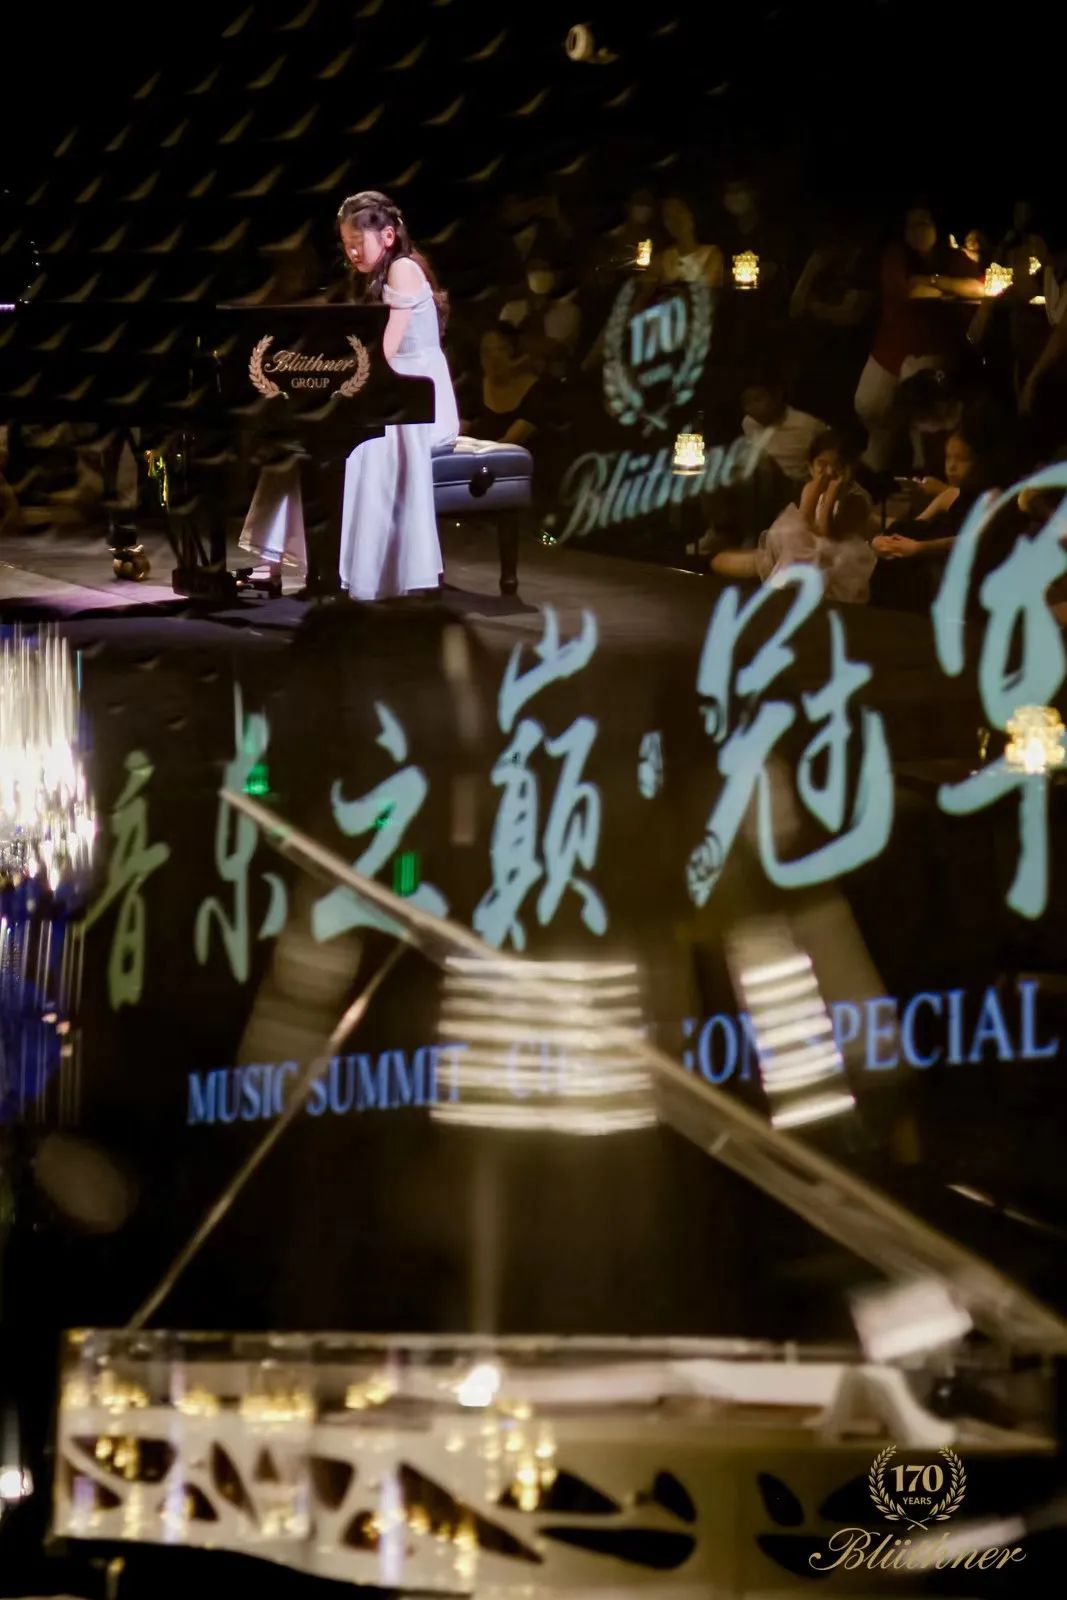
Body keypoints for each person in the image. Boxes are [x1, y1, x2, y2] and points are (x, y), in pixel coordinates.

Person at [239, 192, 459, 600]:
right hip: (387, 391)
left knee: (351, 451)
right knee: (300, 446)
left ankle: (352, 573)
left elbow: (385, 353)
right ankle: (282, 564)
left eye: (358, 242)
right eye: (346, 244)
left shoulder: (403, 270)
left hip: (416, 400)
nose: (352, 252)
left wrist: (338, 385)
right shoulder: (370, 275)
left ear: (388, 236)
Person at [854, 207, 985, 472]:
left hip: (934, 346)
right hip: (893, 346)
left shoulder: (953, 257)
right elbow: (909, 290)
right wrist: (950, 288)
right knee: (869, 404)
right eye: (912, 225)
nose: (919, 230)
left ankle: (925, 468)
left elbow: (978, 288)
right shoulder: (896, 256)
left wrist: (933, 281)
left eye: (924, 223)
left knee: (926, 412)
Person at [711, 431, 875, 603]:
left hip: (838, 554)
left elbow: (827, 533)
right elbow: (804, 522)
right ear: (810, 467)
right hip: (806, 546)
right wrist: (814, 495)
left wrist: (830, 497)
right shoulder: (810, 488)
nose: (829, 471)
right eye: (822, 464)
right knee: (791, 534)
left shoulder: (856, 498)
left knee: (809, 546)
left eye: (837, 465)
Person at [869, 428, 995, 609]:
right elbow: (914, 525)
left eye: (961, 460)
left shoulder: (989, 499)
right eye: (948, 458)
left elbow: (974, 540)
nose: (951, 466)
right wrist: (883, 541)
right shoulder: (950, 495)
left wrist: (920, 547)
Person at [656, 196, 723, 289]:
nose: (675, 220)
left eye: (679, 212)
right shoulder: (662, 257)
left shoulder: (712, 254)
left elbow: (705, 289)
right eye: (668, 216)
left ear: (692, 215)